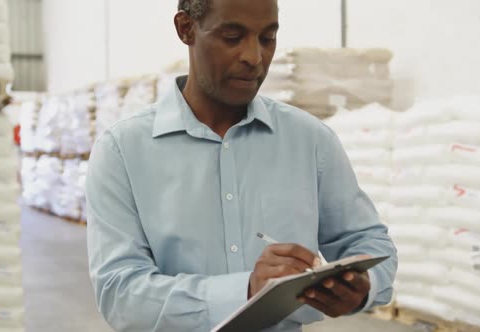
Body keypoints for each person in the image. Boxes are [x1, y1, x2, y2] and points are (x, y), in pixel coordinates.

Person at [85, 0, 398, 331]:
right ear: (185, 28)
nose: (254, 57)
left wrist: (364, 287)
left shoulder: (310, 141)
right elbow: (119, 294)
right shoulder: (122, 151)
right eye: (233, 37)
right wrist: (247, 291)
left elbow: (370, 243)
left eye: (267, 38)